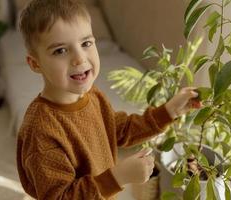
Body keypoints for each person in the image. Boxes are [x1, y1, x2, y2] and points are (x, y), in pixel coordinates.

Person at [16, 0, 200, 199]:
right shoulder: (41, 131)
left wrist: (169, 111)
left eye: (86, 43)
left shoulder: (92, 95)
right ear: (35, 64)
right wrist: (118, 177)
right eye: (60, 50)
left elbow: (119, 129)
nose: (80, 59)